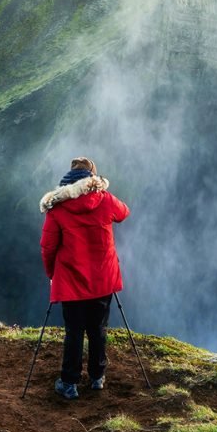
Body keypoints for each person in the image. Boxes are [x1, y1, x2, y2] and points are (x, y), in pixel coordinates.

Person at [40, 157, 129, 400]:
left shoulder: (57, 209)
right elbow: (124, 212)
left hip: (72, 281)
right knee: (98, 329)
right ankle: (97, 377)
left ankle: (69, 383)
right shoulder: (105, 200)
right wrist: (102, 188)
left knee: (74, 332)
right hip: (103, 278)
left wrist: (51, 273)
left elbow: (47, 247)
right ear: (92, 179)